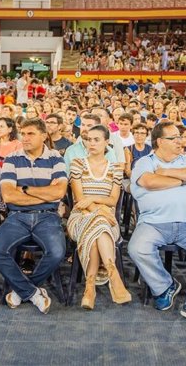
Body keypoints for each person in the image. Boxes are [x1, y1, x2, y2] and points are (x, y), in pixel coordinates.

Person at [128, 121, 186, 327]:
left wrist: (165, 173)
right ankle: (164, 286)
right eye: (174, 138)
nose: (180, 141)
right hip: (154, 223)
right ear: (160, 141)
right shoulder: (145, 162)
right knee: (136, 248)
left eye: (180, 136)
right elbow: (148, 182)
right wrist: (182, 180)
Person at [0, 118, 68, 314]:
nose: (25, 137)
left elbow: (58, 193)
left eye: (30, 133)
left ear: (43, 136)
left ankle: (20, 291)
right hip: (17, 216)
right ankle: (32, 292)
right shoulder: (12, 158)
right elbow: (8, 195)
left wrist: (25, 189)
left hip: (48, 216)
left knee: (57, 253)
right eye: (23, 133)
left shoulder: (55, 158)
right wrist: (44, 194)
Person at [67, 125, 131, 309]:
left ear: (107, 142)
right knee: (99, 222)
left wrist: (93, 199)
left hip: (105, 219)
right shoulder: (77, 163)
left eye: (96, 139)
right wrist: (100, 209)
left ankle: (90, 287)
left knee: (99, 226)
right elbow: (79, 200)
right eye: (88, 139)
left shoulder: (116, 168)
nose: (91, 143)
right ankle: (114, 275)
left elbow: (112, 200)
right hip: (80, 217)